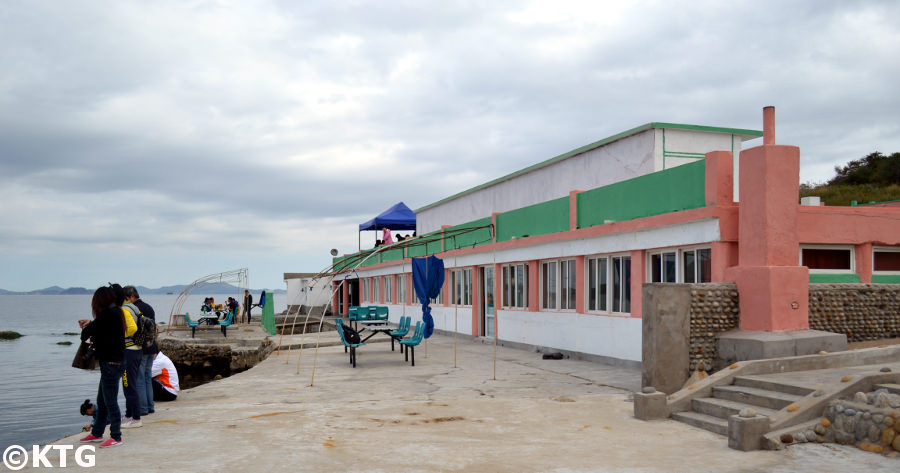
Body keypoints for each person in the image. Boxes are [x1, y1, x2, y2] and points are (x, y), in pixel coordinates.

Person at [78, 286, 126, 448]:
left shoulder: (107, 314)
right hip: (114, 362)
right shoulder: (116, 312)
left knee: (110, 401)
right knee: (102, 400)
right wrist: (92, 324)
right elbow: (101, 329)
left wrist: (89, 325)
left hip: (111, 363)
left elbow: (85, 334)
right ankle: (97, 433)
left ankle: (116, 436)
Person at [125, 286, 156, 417]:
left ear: (131, 297)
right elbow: (154, 327)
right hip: (152, 346)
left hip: (140, 347)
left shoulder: (133, 309)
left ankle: (142, 408)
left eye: (125, 299)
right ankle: (150, 406)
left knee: (140, 379)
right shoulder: (148, 307)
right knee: (148, 377)